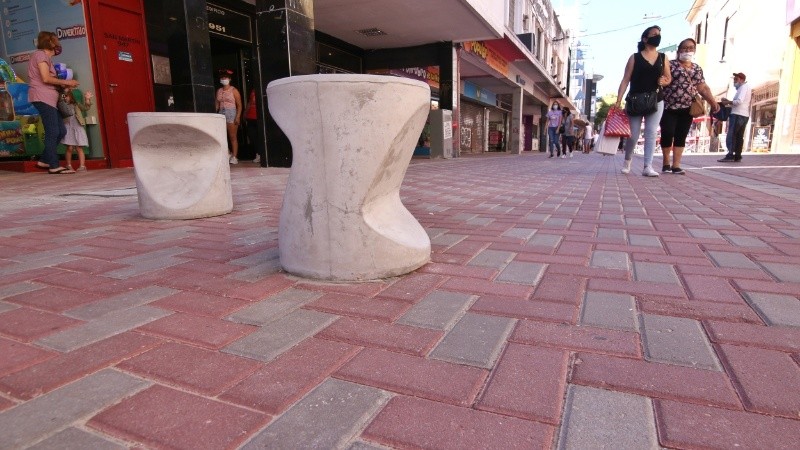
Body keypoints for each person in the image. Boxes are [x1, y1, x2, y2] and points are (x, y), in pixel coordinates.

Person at [615, 25, 672, 176]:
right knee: (633, 135)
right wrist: (618, 100)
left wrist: (664, 81)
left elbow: (669, 78)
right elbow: (625, 79)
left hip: (656, 100)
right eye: (654, 34)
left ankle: (648, 166)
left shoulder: (663, 58)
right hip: (636, 100)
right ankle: (627, 161)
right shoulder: (635, 57)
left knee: (651, 132)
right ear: (645, 38)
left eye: (659, 34)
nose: (657, 36)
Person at [659, 38, 719, 175]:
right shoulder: (670, 65)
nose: (687, 50)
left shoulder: (696, 68)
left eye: (691, 48)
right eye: (684, 48)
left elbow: (702, 87)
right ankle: (666, 163)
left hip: (688, 107)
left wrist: (713, 102)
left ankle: (676, 165)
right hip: (669, 106)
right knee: (667, 133)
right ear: (679, 50)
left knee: (681, 135)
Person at [28, 31, 80, 174]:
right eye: (55, 41)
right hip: (42, 97)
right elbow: (45, 78)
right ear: (50, 42)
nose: (58, 44)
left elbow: (49, 80)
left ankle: (44, 160)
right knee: (53, 130)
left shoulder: (46, 58)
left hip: (49, 99)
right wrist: (66, 81)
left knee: (61, 130)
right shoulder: (40, 55)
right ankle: (54, 165)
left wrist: (64, 85)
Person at [718, 72, 752, 162]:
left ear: (741, 80)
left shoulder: (743, 87)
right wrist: (729, 102)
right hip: (744, 115)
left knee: (732, 135)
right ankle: (737, 155)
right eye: (734, 79)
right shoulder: (745, 88)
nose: (734, 81)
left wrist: (728, 102)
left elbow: (739, 101)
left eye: (736, 79)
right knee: (739, 136)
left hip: (738, 114)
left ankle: (730, 154)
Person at [61, 87, 92, 172]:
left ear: (71, 97)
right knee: (69, 147)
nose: (65, 98)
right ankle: (68, 165)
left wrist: (87, 99)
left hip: (77, 126)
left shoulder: (76, 104)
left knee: (79, 147)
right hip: (68, 126)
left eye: (67, 96)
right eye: (64, 96)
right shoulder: (62, 105)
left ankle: (82, 166)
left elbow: (85, 108)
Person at [215, 69, 242, 164]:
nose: (223, 79)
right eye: (222, 78)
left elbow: (239, 105)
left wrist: (238, 117)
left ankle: (235, 157)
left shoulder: (234, 90)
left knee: (232, 136)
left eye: (225, 77)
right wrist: (215, 113)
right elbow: (217, 103)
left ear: (229, 79)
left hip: (231, 113)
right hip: (221, 113)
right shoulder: (219, 90)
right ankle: (228, 153)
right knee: (221, 136)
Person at [244, 88, 261, 164]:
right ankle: (258, 154)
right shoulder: (253, 90)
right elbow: (250, 102)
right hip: (250, 117)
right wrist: (245, 113)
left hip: (259, 117)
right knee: (252, 136)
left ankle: (261, 154)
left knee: (259, 136)